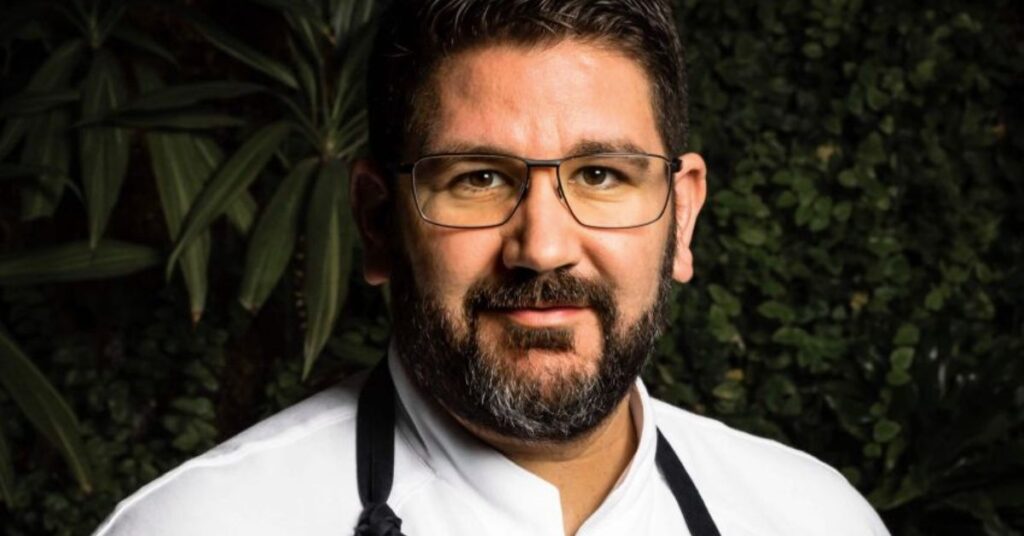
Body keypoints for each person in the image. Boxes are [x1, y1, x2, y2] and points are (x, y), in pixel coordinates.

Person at [94, 1, 890, 534]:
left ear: (681, 216)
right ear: (378, 222)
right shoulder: (198, 525)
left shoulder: (816, 519)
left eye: (601, 174)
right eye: (478, 178)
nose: (541, 246)